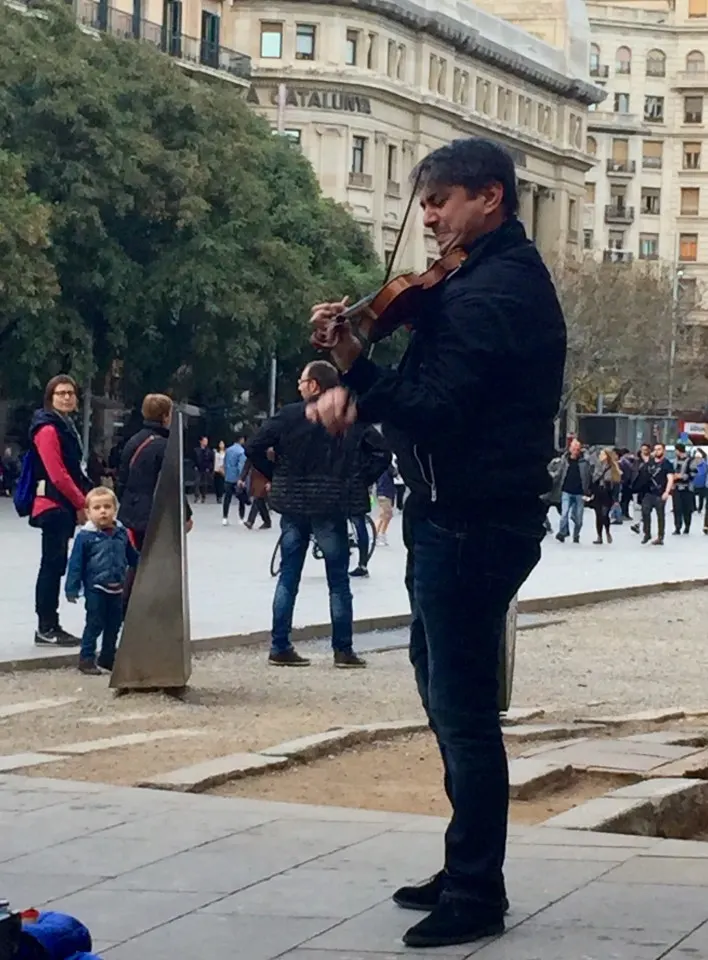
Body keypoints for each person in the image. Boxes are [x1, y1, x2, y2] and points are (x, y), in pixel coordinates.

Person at [307, 137, 566, 947]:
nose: (428, 217)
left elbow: (437, 405)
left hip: (476, 517)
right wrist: (353, 355)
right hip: (452, 510)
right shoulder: (469, 279)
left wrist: (360, 390)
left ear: (489, 198)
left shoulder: (496, 292)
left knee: (461, 710)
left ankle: (476, 893)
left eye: (441, 202)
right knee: (441, 690)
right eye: (425, 203)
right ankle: (463, 868)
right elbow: (423, 387)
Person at [247, 360, 390, 668]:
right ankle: (343, 649)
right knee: (338, 580)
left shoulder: (288, 416)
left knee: (288, 576)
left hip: (293, 504)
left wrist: (276, 474)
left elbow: (254, 446)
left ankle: (280, 645)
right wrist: (359, 480)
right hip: (332, 503)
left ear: (314, 385)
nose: (298, 386)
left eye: (302, 381)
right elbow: (382, 453)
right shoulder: (347, 415)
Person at [28, 375, 93, 647]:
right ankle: (46, 625)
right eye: (60, 393)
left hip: (61, 504)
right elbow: (58, 474)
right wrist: (82, 503)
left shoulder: (64, 426)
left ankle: (49, 624)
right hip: (53, 504)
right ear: (50, 397)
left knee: (55, 564)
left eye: (70, 393)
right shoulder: (48, 429)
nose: (66, 397)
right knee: (52, 565)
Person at [65, 487, 139, 675]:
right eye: (97, 508)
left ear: (115, 509)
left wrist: (143, 564)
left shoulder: (121, 533)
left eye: (107, 506)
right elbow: (75, 564)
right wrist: (72, 587)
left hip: (117, 587)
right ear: (88, 513)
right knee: (95, 622)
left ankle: (108, 656)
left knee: (114, 624)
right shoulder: (85, 537)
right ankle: (87, 658)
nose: (103, 511)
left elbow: (131, 556)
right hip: (95, 588)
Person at [117, 394, 193, 552]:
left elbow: (122, 479)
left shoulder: (133, 441)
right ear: (165, 416)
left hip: (129, 512)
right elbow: (173, 483)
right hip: (154, 516)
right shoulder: (165, 446)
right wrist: (186, 515)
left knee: (133, 560)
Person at [552, 438, 591, 543]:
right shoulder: (564, 460)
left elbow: (589, 476)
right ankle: (562, 533)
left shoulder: (584, 462)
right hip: (566, 491)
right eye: (573, 448)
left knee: (579, 518)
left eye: (577, 449)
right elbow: (559, 474)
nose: (575, 451)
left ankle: (576, 535)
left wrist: (588, 490)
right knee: (564, 514)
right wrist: (550, 478)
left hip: (580, 493)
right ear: (570, 449)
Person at [641, 442, 674, 545]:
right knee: (645, 511)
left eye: (659, 449)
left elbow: (670, 478)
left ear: (663, 450)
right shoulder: (650, 462)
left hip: (660, 493)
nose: (657, 451)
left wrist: (667, 492)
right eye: (655, 449)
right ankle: (647, 533)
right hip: (648, 492)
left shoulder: (667, 463)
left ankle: (660, 537)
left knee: (660, 515)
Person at [589, 448, 621, 545]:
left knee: (604, 514)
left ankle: (607, 531)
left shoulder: (613, 467)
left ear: (607, 456)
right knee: (598, 514)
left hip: (607, 493)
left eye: (602, 454)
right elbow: (593, 479)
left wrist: (616, 498)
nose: (600, 456)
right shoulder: (597, 466)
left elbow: (617, 483)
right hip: (598, 492)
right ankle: (599, 536)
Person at [672, 442, 696, 535]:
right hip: (676, 488)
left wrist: (682, 476)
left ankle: (687, 526)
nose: (675, 452)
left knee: (687, 509)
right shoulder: (674, 461)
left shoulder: (690, 461)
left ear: (679, 450)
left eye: (676, 450)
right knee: (677, 508)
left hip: (687, 488)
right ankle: (677, 527)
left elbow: (694, 473)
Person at [239, 459, 272, 530]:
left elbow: (272, 468)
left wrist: (270, 482)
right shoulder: (252, 453)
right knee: (260, 500)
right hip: (255, 478)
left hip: (264, 478)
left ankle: (250, 521)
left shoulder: (267, 454)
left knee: (258, 497)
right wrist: (242, 479)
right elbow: (246, 467)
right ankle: (267, 521)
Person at [222, 437, 247, 526]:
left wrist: (225, 474)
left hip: (228, 477)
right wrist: (242, 479)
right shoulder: (241, 451)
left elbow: (224, 463)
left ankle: (225, 517)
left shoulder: (228, 450)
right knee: (241, 499)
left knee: (227, 498)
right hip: (237, 478)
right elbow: (241, 465)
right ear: (241, 440)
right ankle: (241, 518)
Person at [375, 463, 396, 545]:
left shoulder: (379, 466)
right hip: (385, 492)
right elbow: (395, 473)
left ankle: (380, 534)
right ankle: (377, 534)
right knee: (384, 515)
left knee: (386, 515)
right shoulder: (387, 466)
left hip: (384, 492)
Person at [193, 436, 214, 503]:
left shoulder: (209, 451)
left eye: (206, 441)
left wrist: (209, 468)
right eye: (204, 441)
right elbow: (193, 459)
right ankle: (197, 496)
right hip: (198, 468)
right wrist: (194, 466)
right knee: (197, 482)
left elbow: (211, 460)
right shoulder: (196, 450)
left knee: (204, 483)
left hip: (205, 469)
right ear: (201, 441)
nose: (206, 442)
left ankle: (203, 496)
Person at [693, 449, 707, 516]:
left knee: (701, 497)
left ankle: (700, 508)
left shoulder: (705, 464)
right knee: (691, 496)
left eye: (699, 458)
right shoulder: (692, 464)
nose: (697, 459)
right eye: (696, 458)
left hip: (703, 484)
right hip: (694, 484)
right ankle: (693, 507)